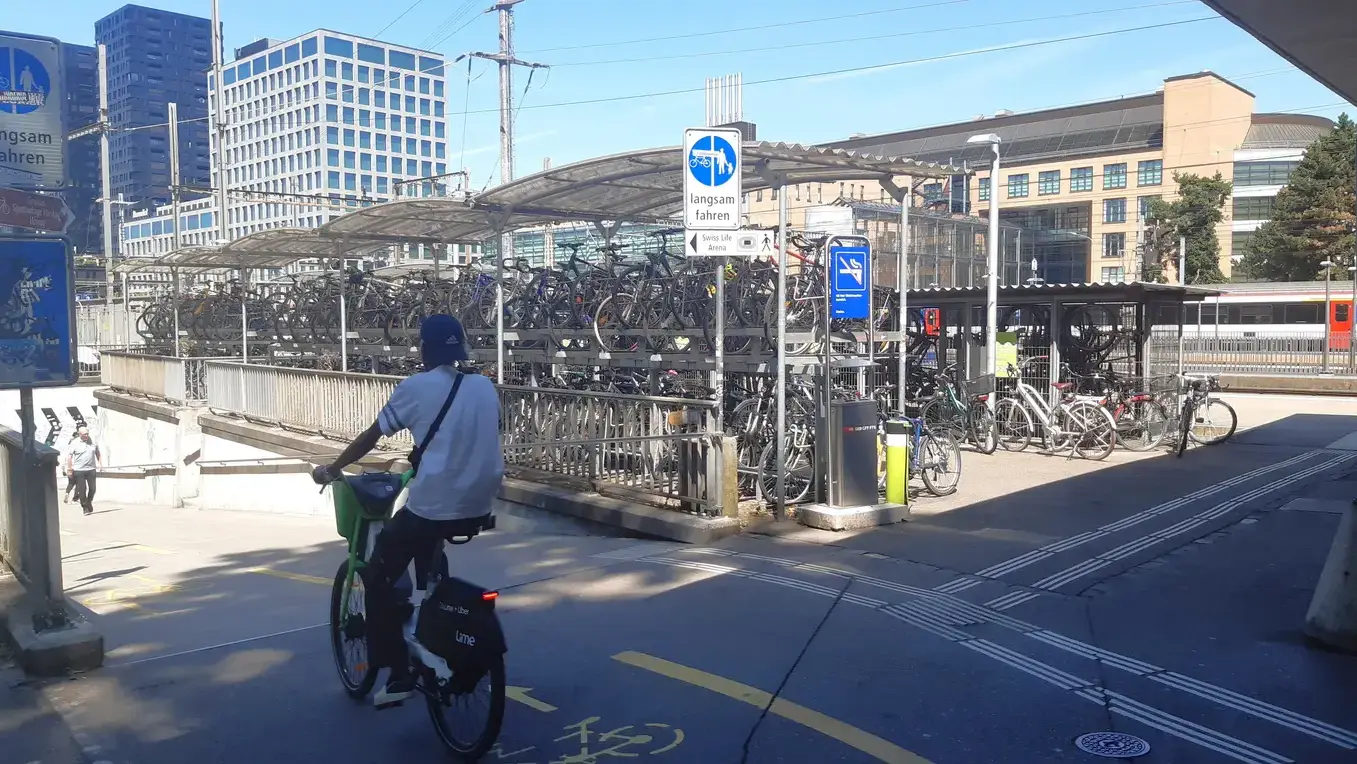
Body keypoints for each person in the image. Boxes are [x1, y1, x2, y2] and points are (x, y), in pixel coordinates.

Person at [312, 314, 504, 708]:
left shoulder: (416, 387)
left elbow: (373, 434)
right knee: (428, 551)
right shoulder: (484, 385)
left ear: (424, 350)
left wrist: (332, 469)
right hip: (480, 502)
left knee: (378, 576)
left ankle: (399, 673)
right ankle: (434, 604)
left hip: (436, 505)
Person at [66, 427, 102, 515]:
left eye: (87, 434)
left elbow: (97, 452)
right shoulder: (74, 443)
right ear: (80, 434)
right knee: (82, 490)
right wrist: (69, 469)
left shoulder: (92, 441)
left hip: (91, 469)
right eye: (84, 434)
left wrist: (100, 463)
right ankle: (85, 507)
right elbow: (69, 457)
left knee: (92, 489)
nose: (86, 436)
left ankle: (89, 502)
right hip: (79, 470)